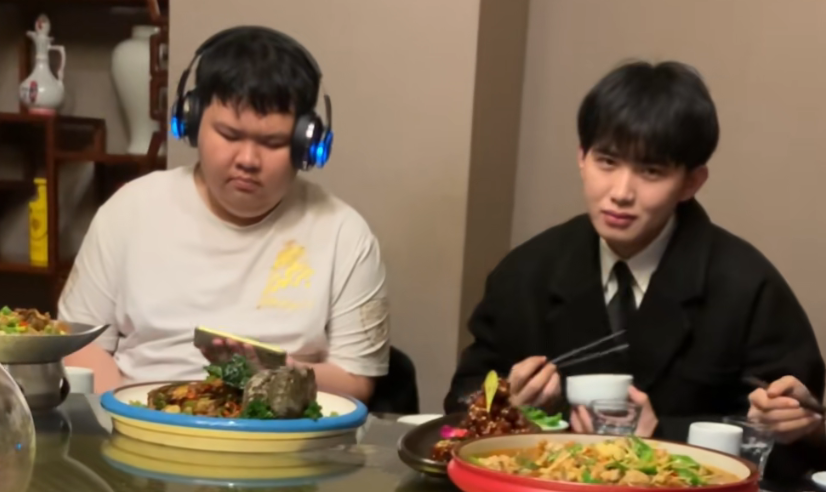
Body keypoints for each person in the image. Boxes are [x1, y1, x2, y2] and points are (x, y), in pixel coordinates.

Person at [444, 60, 825, 479]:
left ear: (691, 182)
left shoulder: (746, 284)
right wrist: (508, 404)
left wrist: (798, 426)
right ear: (582, 157)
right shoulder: (526, 271)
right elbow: (461, 402)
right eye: (607, 162)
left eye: (651, 171)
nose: (621, 193)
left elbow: (796, 448)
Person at [59, 26, 390, 404]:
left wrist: (279, 372)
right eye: (229, 135)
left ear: (306, 145)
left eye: (272, 142)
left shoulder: (345, 235)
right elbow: (78, 344)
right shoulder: (129, 210)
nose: (247, 160)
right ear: (191, 121)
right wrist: (129, 412)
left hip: (280, 430)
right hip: (139, 419)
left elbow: (356, 381)